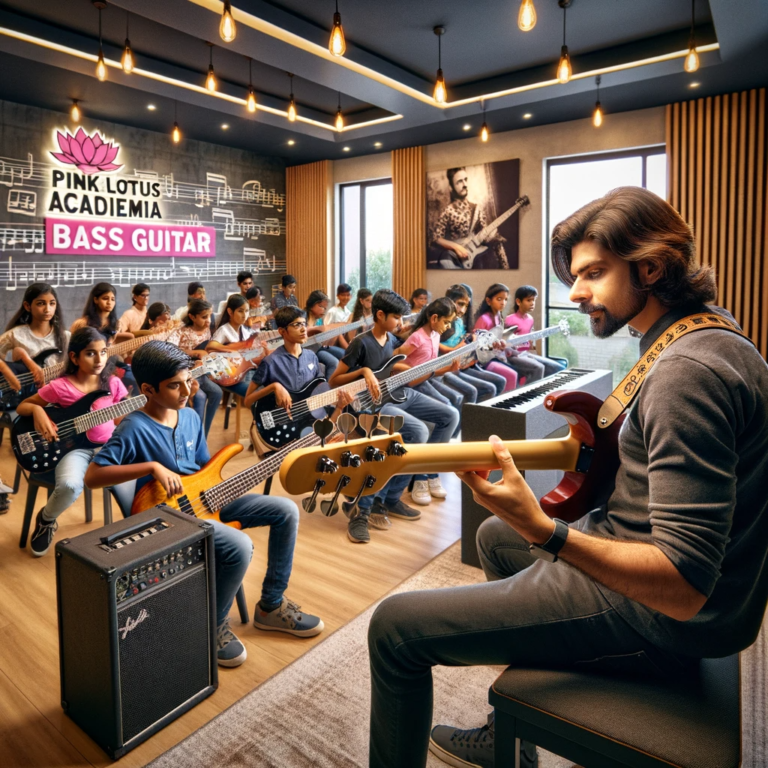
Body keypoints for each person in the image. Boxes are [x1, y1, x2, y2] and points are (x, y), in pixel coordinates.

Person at [366, 186, 768, 768]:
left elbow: (683, 585)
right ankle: (512, 729)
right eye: (576, 275)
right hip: (654, 565)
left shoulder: (686, 372)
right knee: (493, 536)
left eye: (594, 273)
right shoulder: (704, 332)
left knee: (394, 627)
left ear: (651, 267)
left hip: (662, 619)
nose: (575, 292)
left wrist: (545, 531)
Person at [84, 341, 325, 668]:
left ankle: (270, 605)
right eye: (175, 385)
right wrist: (151, 467)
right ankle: (212, 625)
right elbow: (93, 476)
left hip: (203, 502)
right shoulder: (133, 427)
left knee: (286, 511)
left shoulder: (190, 417)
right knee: (239, 545)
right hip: (167, 518)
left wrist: (228, 485)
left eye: (188, 381)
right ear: (148, 389)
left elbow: (203, 470)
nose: (187, 391)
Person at [329, 290, 460, 543]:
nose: (401, 323)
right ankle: (362, 511)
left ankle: (393, 495)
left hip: (397, 394)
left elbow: (390, 367)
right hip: (372, 406)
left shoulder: (390, 339)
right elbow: (334, 380)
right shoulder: (361, 342)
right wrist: (364, 371)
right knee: (418, 431)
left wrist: (425, 368)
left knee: (450, 415)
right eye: (397, 317)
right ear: (380, 315)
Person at [20, 327, 128, 557]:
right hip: (74, 449)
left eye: (103, 352)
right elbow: (23, 406)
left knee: (138, 475)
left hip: (108, 447)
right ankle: (46, 519)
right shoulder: (61, 386)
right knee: (69, 485)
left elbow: (119, 417)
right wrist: (38, 411)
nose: (99, 359)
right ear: (74, 357)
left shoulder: (113, 383)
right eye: (90, 353)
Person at [244, 305, 354, 436]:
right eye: (296, 325)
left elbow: (319, 391)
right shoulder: (270, 362)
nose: (303, 329)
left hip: (307, 426)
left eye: (304, 324)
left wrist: (339, 404)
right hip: (281, 427)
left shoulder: (311, 356)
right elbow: (248, 401)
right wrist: (274, 387)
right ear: (282, 331)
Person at [396, 297, 462, 504]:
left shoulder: (434, 334)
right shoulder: (417, 337)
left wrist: (449, 368)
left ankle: (431, 472)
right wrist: (408, 371)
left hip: (425, 380)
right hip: (411, 386)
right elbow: (395, 358)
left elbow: (430, 369)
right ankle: (422, 476)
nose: (448, 326)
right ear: (434, 318)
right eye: (446, 322)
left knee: (451, 410)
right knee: (448, 409)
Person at [431, 167, 508, 270]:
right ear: (451, 187)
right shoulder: (448, 211)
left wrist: (491, 235)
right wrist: (456, 247)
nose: (465, 184)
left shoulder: (477, 208)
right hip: (456, 260)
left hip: (476, 258)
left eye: (465, 180)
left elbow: (484, 235)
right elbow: (436, 239)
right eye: (459, 182)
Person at [439, 284, 506, 399]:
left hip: (463, 363)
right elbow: (434, 343)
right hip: (446, 366)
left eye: (466, 306)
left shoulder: (460, 321)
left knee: (499, 381)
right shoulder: (443, 321)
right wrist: (458, 347)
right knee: (478, 390)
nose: (463, 310)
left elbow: (467, 340)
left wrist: (476, 339)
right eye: (460, 304)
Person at [0, 282, 71, 389]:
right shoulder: (15, 335)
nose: (47, 309)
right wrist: (7, 370)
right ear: (27, 306)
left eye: (52, 303)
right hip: (26, 395)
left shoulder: (66, 336)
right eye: (40, 304)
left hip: (57, 392)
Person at [168, 298, 222, 437]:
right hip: (186, 375)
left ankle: (204, 433)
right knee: (200, 396)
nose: (208, 320)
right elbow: (170, 349)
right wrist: (194, 353)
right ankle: (193, 435)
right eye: (204, 317)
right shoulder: (181, 332)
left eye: (209, 316)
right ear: (192, 317)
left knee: (217, 392)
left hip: (201, 374)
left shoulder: (207, 331)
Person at [504, 285, 565, 382]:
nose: (532, 303)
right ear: (518, 302)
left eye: (534, 300)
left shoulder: (530, 319)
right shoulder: (509, 319)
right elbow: (504, 341)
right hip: (512, 356)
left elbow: (530, 341)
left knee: (558, 368)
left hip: (525, 354)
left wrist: (533, 352)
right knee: (538, 368)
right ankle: (531, 391)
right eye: (529, 300)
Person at [207, 294, 260, 398]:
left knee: (265, 384)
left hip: (243, 372)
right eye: (240, 311)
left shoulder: (245, 331)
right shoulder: (224, 330)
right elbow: (210, 346)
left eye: (247, 311)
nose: (244, 315)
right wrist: (231, 349)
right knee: (256, 393)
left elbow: (247, 354)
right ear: (230, 312)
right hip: (228, 375)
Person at [473, 284, 524, 389]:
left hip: (497, 355)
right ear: (488, 301)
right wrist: (493, 346)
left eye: (505, 299)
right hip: (484, 361)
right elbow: (477, 346)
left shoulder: (499, 316)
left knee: (519, 370)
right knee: (512, 374)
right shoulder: (483, 319)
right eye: (499, 299)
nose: (503, 303)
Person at [70, 282, 134, 344]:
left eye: (112, 299)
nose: (109, 302)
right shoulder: (82, 323)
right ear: (96, 300)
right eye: (105, 298)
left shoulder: (117, 324)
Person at [304, 290, 345, 379]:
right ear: (311, 305)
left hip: (320, 348)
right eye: (321, 306)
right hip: (310, 350)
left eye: (325, 308)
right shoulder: (303, 317)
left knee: (345, 355)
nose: (323, 310)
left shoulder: (319, 320)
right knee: (334, 362)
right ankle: (328, 386)